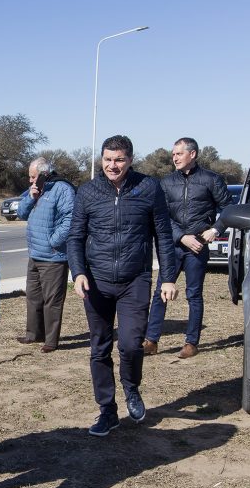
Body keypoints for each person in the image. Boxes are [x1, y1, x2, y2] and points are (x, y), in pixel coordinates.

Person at [68, 135, 178, 437]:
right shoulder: (88, 191)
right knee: (99, 348)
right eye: (107, 159)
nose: (111, 165)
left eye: (118, 160)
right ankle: (107, 410)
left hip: (135, 280)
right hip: (97, 282)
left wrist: (168, 277)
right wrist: (78, 272)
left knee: (131, 344)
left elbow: (163, 237)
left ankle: (131, 388)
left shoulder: (148, 188)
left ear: (129, 159)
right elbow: (75, 237)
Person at [143, 138, 232, 360]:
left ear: (192, 154)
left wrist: (215, 229)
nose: (174, 158)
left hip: (198, 248)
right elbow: (160, 215)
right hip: (172, 246)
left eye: (179, 154)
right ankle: (151, 340)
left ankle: (192, 343)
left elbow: (229, 207)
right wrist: (181, 236)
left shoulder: (211, 179)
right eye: (173, 154)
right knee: (160, 292)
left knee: (194, 294)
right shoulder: (165, 182)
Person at [15, 157, 74, 353]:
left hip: (53, 256)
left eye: (34, 176)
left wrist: (54, 241)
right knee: (33, 296)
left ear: (44, 173)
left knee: (52, 301)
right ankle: (33, 333)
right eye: (30, 177)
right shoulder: (34, 189)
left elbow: (70, 217)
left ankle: (51, 340)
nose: (31, 180)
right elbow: (21, 213)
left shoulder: (62, 189)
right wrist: (31, 197)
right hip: (35, 254)